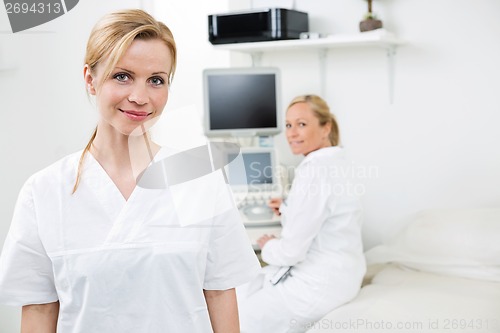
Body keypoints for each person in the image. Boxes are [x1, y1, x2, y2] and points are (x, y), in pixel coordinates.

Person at [0, 9, 260, 333]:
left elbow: (220, 292)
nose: (139, 97)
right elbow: (39, 310)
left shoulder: (200, 180)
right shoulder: (45, 192)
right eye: (121, 76)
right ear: (90, 79)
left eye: (156, 80)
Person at [237, 95, 366, 333]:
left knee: (236, 314)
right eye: (288, 125)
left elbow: (291, 253)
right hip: (345, 276)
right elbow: (327, 214)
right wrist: (289, 207)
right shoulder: (337, 161)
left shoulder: (314, 170)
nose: (292, 133)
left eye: (302, 124)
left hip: (317, 287)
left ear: (325, 127)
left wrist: (267, 245)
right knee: (243, 289)